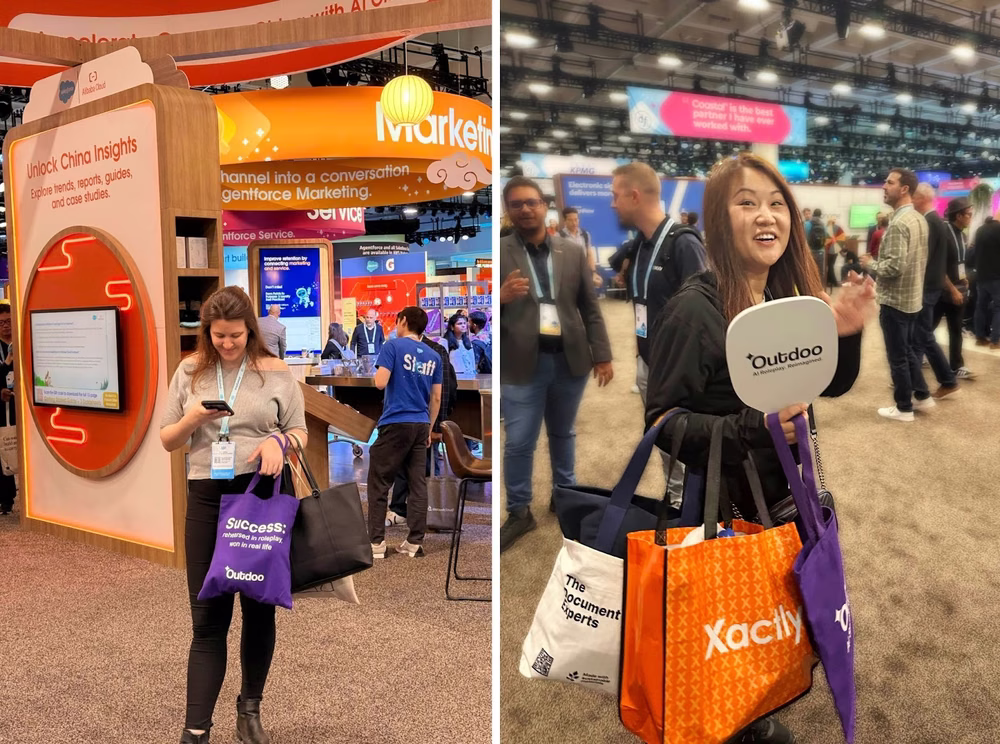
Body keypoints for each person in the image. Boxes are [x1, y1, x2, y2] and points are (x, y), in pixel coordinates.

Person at [644, 152, 869, 744]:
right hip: (726, 509)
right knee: (725, 631)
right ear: (719, 218)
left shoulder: (783, 298)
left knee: (769, 626)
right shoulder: (695, 310)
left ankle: (750, 713)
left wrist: (845, 334)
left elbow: (823, 390)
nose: (766, 216)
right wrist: (753, 427)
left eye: (776, 204)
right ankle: (732, 723)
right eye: (747, 202)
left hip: (782, 500)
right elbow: (662, 423)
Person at [159, 286, 308, 744]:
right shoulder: (190, 370)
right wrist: (192, 421)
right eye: (219, 336)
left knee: (259, 613)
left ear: (252, 332)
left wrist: (279, 442)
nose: (227, 344)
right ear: (207, 332)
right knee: (207, 620)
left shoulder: (276, 372)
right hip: (206, 498)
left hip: (263, 496)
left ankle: (250, 711)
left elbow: (299, 430)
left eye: (236, 336)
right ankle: (196, 729)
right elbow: (167, 438)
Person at [499, 175, 613, 553]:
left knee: (563, 433)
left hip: (569, 361)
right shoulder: (499, 253)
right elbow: (475, 318)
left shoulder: (571, 250)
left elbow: (589, 307)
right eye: (516, 204)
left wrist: (603, 353)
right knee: (519, 442)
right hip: (520, 365)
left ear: (544, 205)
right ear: (508, 210)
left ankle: (564, 496)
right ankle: (519, 511)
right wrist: (498, 298)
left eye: (531, 202)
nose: (525, 209)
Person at [608, 161, 707, 507]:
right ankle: (678, 499)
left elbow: (707, 309)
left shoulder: (683, 243)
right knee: (663, 438)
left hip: (678, 369)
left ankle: (693, 504)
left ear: (634, 195)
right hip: (648, 360)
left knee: (685, 438)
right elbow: (612, 265)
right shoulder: (642, 244)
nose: (611, 203)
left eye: (615, 195)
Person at [366, 306, 443, 558]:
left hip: (395, 422)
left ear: (403, 321)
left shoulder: (393, 346)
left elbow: (379, 383)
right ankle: (414, 542)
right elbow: (437, 398)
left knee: (379, 482)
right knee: (417, 483)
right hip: (421, 424)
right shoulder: (434, 356)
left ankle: (376, 543)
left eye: (397, 320)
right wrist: (429, 430)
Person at [860, 168, 932, 422]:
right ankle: (922, 394)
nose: (883, 186)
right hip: (912, 299)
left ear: (904, 189)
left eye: (889, 183)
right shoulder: (918, 219)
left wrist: (870, 263)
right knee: (909, 351)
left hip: (896, 301)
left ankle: (904, 408)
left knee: (898, 356)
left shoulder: (899, 223)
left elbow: (893, 267)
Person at [387, 331, 456, 526]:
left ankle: (426, 512)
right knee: (408, 465)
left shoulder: (435, 351)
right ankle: (403, 509)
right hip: (411, 419)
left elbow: (444, 391)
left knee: (424, 468)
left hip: (424, 419)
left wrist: (437, 424)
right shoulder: (400, 350)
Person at [910, 182, 961, 398]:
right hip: (932, 285)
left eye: (913, 197)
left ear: (921, 198)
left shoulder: (929, 222)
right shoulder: (938, 222)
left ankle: (946, 380)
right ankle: (927, 380)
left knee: (921, 335)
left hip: (926, 286)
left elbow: (924, 258)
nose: (911, 201)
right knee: (922, 334)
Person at [936, 198, 976, 379]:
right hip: (940, 290)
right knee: (927, 327)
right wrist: (952, 290)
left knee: (955, 328)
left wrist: (964, 278)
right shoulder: (944, 232)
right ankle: (914, 359)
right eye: (968, 214)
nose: (970, 218)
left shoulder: (963, 235)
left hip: (958, 288)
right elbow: (939, 266)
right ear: (958, 215)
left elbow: (959, 262)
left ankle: (956, 366)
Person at [972, 208, 1000, 349]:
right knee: (998, 307)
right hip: (996, 277)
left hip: (981, 276)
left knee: (981, 306)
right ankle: (995, 340)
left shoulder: (980, 230)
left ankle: (980, 338)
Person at [559, 206, 602, 291]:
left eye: (576, 219)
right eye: (570, 220)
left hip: (584, 272)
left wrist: (593, 272)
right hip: (568, 275)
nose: (574, 223)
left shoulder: (585, 234)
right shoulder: (559, 236)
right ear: (564, 221)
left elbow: (589, 254)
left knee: (587, 298)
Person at [0, 303, 16, 516]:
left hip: (22, 404)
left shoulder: (22, 341)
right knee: (4, 448)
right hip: (1, 405)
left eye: (9, 322)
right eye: (1, 323)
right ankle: (6, 499)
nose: (5, 326)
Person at [825, 215, 846, 288]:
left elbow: (824, 241)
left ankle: (832, 282)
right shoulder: (837, 229)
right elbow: (841, 240)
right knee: (831, 266)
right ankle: (830, 282)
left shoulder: (827, 229)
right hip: (834, 251)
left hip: (829, 251)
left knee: (829, 267)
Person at [807, 207, 827, 279]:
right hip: (820, 251)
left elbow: (804, 237)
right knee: (820, 271)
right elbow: (825, 237)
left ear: (813, 214)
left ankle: (809, 288)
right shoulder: (823, 225)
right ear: (820, 215)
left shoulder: (808, 224)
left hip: (809, 251)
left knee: (809, 271)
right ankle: (819, 288)